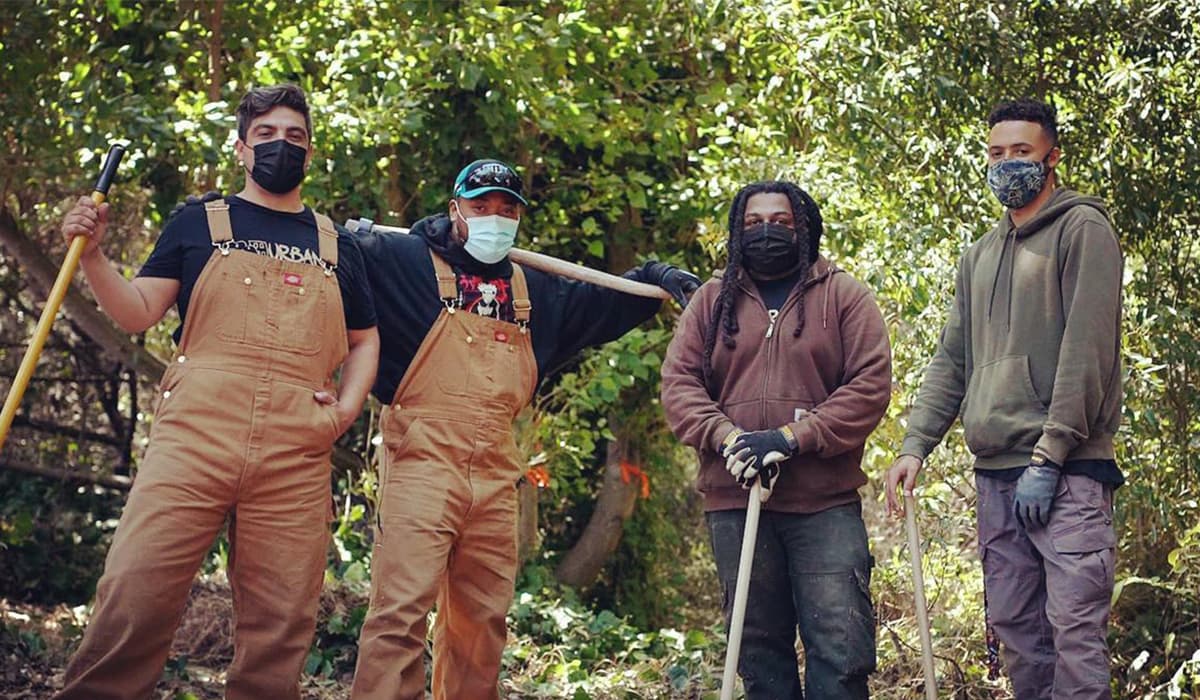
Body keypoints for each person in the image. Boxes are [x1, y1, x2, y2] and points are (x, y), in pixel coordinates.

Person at [54, 84, 380, 700]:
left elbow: (365, 339)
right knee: (136, 586)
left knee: (282, 618)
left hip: (296, 447)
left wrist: (344, 410)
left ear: (310, 154)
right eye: (266, 136)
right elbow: (139, 311)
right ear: (240, 148)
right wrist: (94, 256)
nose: (280, 147)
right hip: (196, 434)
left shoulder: (338, 245)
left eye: (294, 138)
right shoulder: (199, 222)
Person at [348, 158, 701, 700]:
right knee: (398, 616)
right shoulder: (406, 261)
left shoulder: (536, 291)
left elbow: (608, 299)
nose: (495, 216)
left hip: (495, 473)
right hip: (422, 462)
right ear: (454, 210)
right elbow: (330, 262)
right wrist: (362, 242)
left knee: (482, 624)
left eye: (506, 208)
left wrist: (655, 278)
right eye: (480, 205)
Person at [885, 98, 1124, 700]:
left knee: (1075, 637)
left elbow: (1086, 350)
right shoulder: (980, 255)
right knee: (1020, 637)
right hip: (995, 476)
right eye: (997, 153)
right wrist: (916, 445)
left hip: (1066, 474)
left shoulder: (1083, 229)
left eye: (1022, 151)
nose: (1008, 163)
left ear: (1052, 157)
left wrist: (1051, 455)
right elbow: (952, 359)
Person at [660, 181, 892, 699]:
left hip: (824, 506)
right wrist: (728, 438)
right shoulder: (710, 301)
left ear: (804, 228)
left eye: (781, 222)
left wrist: (792, 437)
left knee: (842, 648)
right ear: (737, 231)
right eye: (753, 222)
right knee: (759, 652)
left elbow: (870, 385)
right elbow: (678, 385)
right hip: (735, 501)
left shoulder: (844, 296)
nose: (766, 231)